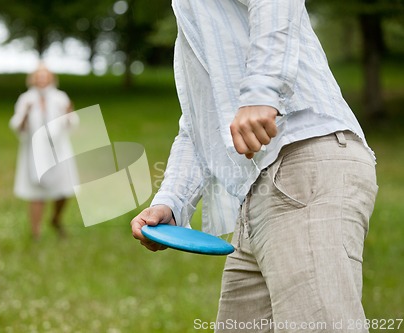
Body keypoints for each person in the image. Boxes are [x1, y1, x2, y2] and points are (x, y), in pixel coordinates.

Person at [131, 0, 378, 332]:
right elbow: (199, 123)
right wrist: (172, 200)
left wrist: (262, 92)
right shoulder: (191, 14)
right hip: (258, 194)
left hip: (303, 164)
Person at [10, 63, 78, 240]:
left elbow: (72, 122)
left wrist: (69, 113)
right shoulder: (26, 99)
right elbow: (17, 126)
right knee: (36, 193)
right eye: (38, 76)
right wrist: (25, 114)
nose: (41, 80)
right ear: (33, 79)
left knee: (63, 190)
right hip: (34, 152)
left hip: (58, 150)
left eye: (44, 76)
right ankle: (36, 233)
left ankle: (56, 219)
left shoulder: (60, 97)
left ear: (50, 78)